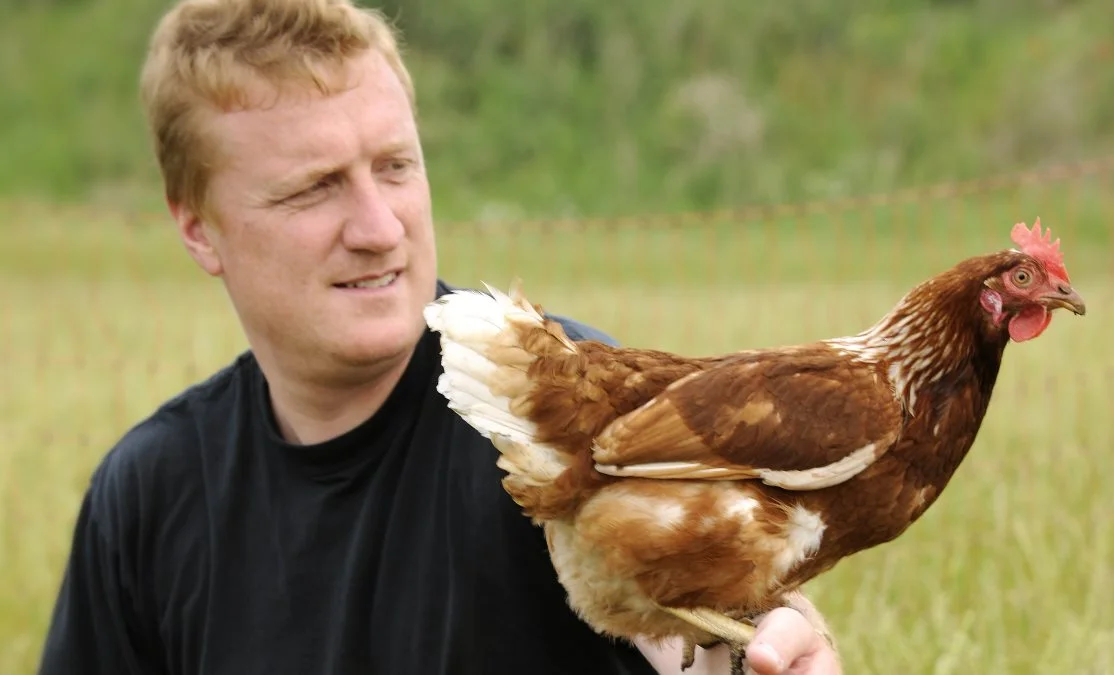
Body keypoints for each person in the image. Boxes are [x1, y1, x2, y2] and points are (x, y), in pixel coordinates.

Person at [36, 1, 842, 673]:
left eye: (395, 167)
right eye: (314, 189)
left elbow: (705, 640)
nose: (381, 228)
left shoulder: (554, 414)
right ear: (199, 229)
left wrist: (761, 650)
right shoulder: (149, 495)